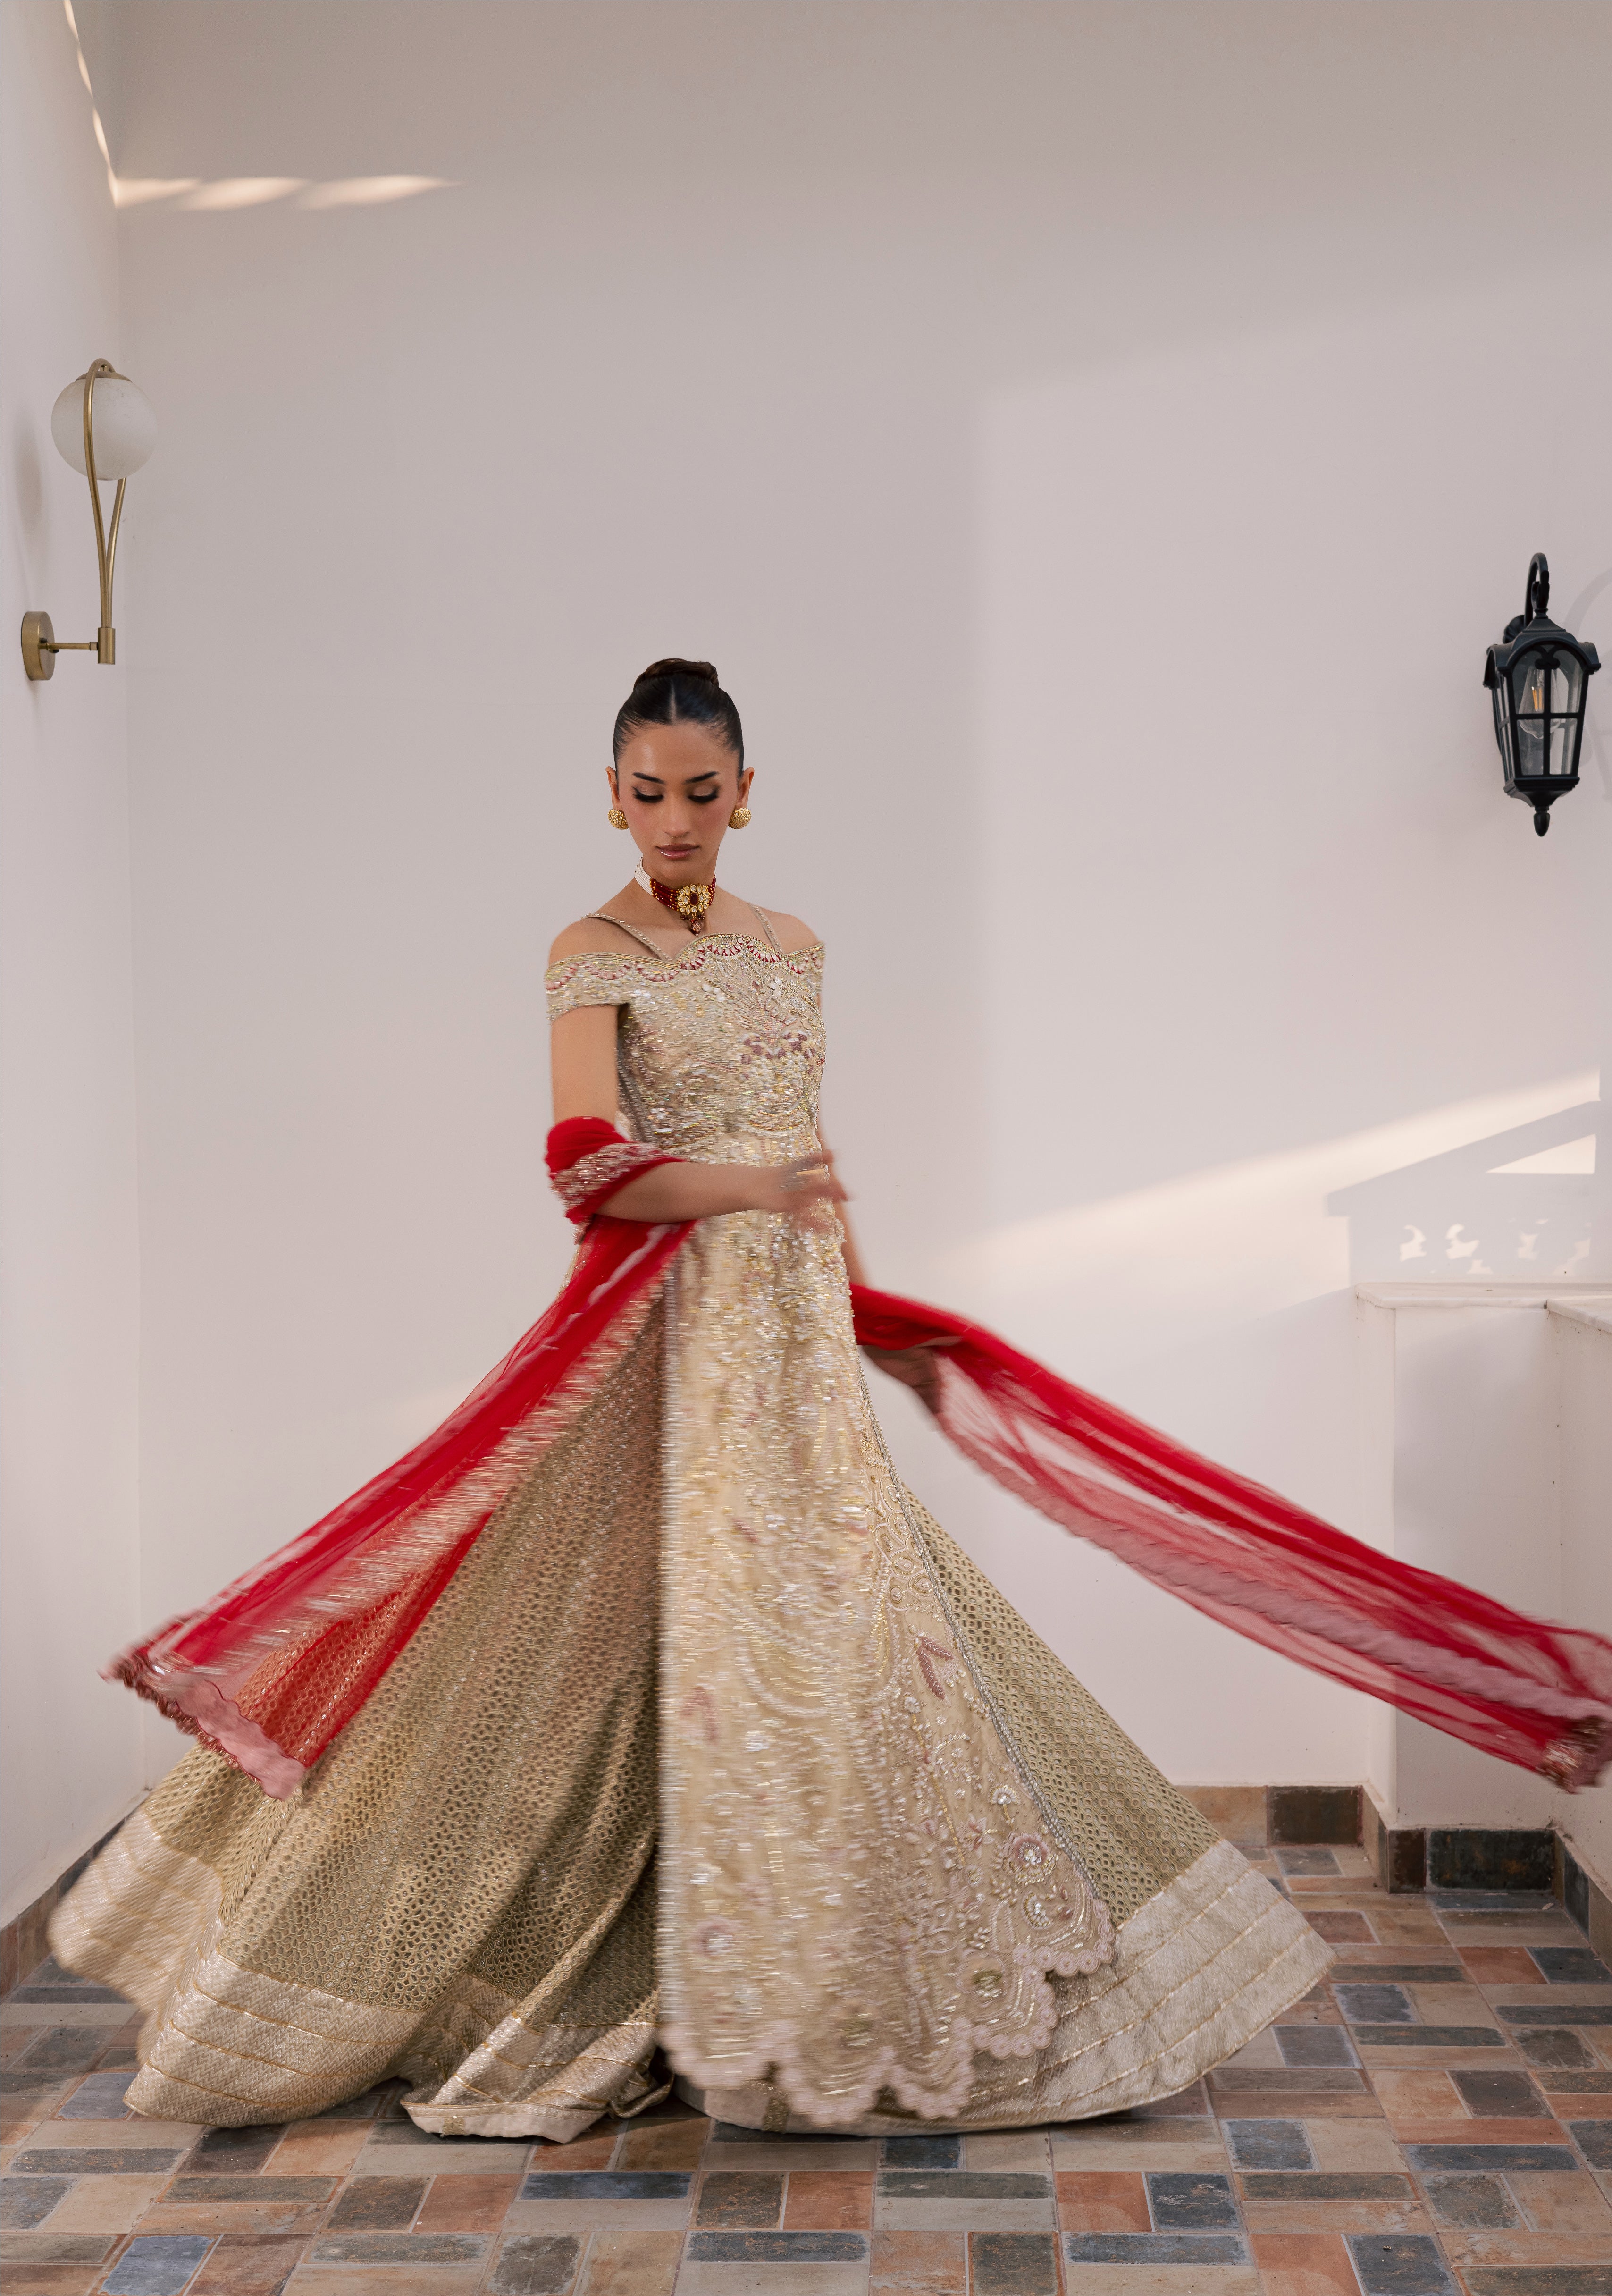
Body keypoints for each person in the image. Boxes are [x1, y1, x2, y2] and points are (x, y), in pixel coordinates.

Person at [49, 657, 1337, 2136]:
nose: (673, 818)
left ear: (746, 793)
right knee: (592, 1636)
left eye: (701, 792)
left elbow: (809, 1139)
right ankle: (568, 1974)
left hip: (792, 1339)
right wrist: (752, 1188)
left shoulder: (793, 945)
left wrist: (870, 1305)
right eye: (647, 792)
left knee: (846, 1629)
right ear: (609, 794)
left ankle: (826, 1982)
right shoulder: (589, 949)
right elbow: (584, 1160)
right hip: (668, 1335)